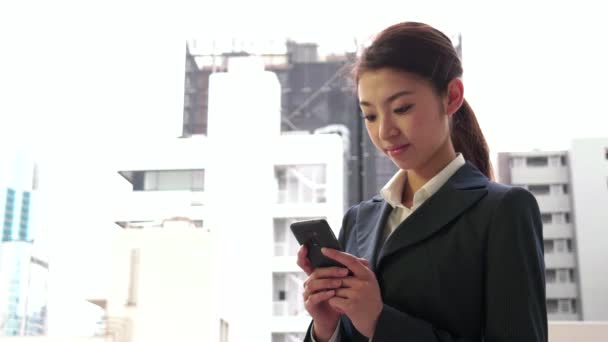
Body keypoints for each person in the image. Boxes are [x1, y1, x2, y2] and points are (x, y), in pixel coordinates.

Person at [296, 22, 547, 342]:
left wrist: (378, 321)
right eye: (370, 115)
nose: (385, 131)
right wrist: (327, 327)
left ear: (452, 96)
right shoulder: (359, 220)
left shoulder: (503, 210)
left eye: (401, 108)